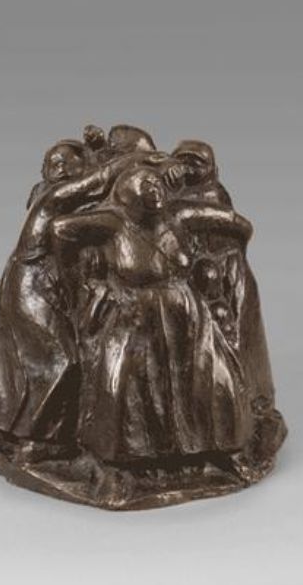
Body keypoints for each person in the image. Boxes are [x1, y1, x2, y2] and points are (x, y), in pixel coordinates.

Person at [51, 165, 254, 465]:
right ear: (128, 193)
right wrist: (76, 280)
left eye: (157, 183)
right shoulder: (114, 223)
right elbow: (60, 229)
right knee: (125, 386)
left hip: (185, 316)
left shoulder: (179, 215)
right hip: (135, 317)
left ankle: (214, 451)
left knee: (209, 380)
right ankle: (123, 463)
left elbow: (235, 223)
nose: (155, 188)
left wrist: (235, 257)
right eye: (145, 184)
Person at [0, 141, 150, 443]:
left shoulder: (69, 201)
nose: (60, 167)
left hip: (43, 283)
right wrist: (139, 158)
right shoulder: (51, 198)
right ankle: (35, 438)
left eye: (67, 161)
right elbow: (97, 181)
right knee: (60, 361)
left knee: (36, 359)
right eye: (53, 162)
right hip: (29, 284)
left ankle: (29, 431)